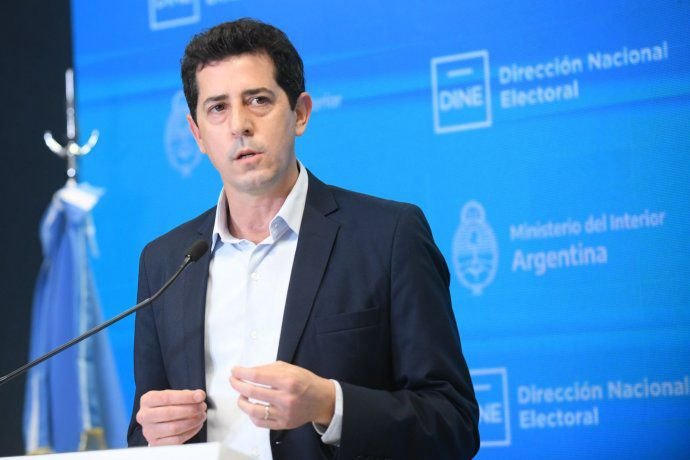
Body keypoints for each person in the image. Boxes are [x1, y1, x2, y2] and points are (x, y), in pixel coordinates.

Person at [127, 18, 479, 459]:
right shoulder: (166, 262)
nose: (239, 125)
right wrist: (154, 434)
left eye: (258, 100)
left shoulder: (388, 236)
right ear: (197, 133)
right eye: (217, 108)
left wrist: (330, 405)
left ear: (300, 113)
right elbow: (142, 436)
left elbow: (453, 423)